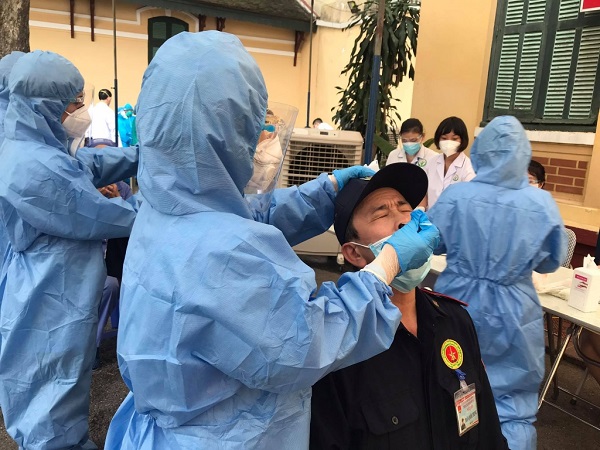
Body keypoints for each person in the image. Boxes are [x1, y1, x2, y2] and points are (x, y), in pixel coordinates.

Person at [104, 31, 439, 449]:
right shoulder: (224, 252)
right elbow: (305, 344)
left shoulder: (165, 206)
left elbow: (247, 215)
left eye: (403, 207)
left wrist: (326, 191)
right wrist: (386, 266)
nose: (265, 138)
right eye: (257, 127)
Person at [310, 163, 508, 450]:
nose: (404, 222)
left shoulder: (455, 320)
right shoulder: (337, 347)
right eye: (381, 213)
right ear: (354, 252)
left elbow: (487, 430)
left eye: (405, 208)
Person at [0, 51, 138, 449]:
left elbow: (86, 165)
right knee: (51, 394)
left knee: (53, 387)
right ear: (46, 105)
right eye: (74, 102)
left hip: (51, 287)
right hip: (50, 296)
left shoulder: (37, 144)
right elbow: (98, 213)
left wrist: (141, 156)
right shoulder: (33, 165)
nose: (81, 111)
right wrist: (167, 205)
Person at [427, 116, 567, 450]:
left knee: (451, 385)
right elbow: (551, 260)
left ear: (482, 151)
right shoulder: (540, 202)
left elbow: (433, 241)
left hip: (457, 301)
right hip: (516, 309)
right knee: (514, 401)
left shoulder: (457, 196)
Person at [424, 116, 475, 209]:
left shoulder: (469, 168)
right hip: (430, 216)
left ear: (462, 140)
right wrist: (420, 209)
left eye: (454, 139)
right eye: (444, 138)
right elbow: (424, 192)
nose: (448, 143)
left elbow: (468, 202)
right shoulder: (432, 162)